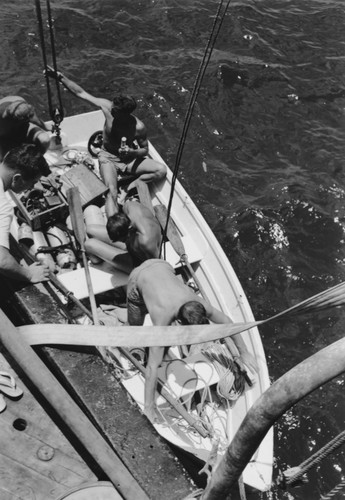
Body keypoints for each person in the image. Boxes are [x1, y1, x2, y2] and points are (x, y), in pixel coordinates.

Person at [126, 259, 258, 422]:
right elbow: (152, 367)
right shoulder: (162, 320)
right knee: (134, 328)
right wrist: (149, 407)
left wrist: (244, 352)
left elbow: (228, 324)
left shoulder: (199, 304)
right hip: (137, 278)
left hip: (162, 265)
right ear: (179, 323)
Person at [46, 67, 167, 217]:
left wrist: (132, 152)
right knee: (111, 191)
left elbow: (145, 150)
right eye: (113, 108)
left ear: (126, 113)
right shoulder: (108, 107)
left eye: (116, 111)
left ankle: (129, 189)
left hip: (128, 159)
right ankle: (113, 221)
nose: (112, 111)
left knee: (161, 170)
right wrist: (60, 77)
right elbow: (81, 93)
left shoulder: (138, 127)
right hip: (108, 156)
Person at [0, 144, 51, 283]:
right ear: (17, 178)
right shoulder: (3, 208)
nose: (33, 187)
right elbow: (2, 261)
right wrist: (28, 274)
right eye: (32, 182)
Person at [0, 96, 51, 160]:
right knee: (5, 159)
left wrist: (47, 128)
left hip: (24, 129)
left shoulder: (23, 105)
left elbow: (35, 119)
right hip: (5, 136)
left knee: (44, 140)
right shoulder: (2, 120)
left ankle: (36, 160)